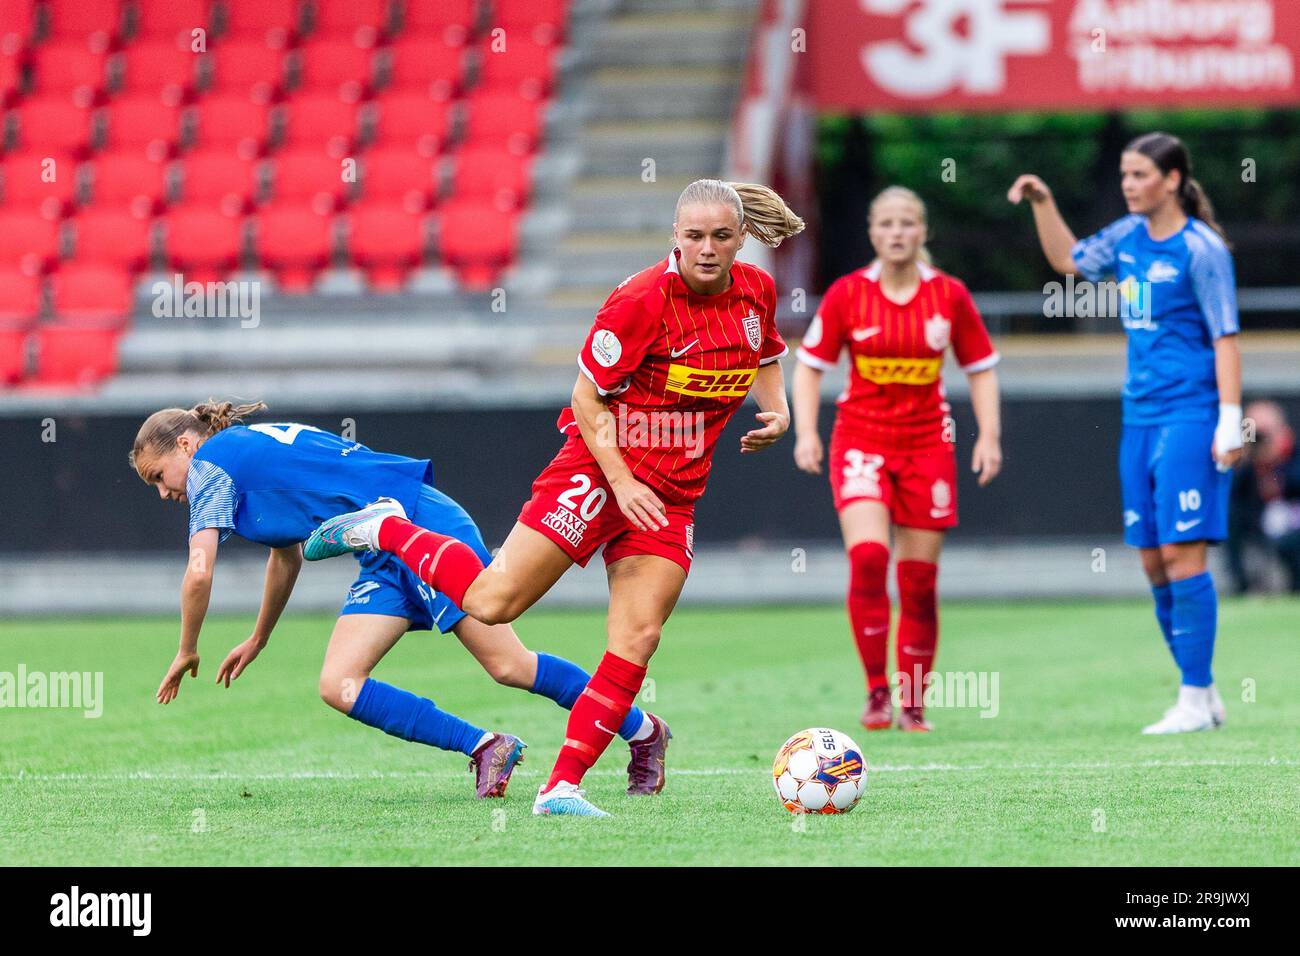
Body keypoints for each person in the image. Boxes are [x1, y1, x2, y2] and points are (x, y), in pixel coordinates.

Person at [305, 179, 805, 816]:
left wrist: (778, 412)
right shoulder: (640, 300)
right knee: (491, 602)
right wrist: (621, 481)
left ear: (740, 239)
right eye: (694, 236)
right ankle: (383, 529)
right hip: (597, 475)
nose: (707, 248)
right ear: (674, 237)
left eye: (721, 236)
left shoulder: (755, 291)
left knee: (638, 636)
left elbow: (764, 353)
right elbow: (584, 397)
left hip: (671, 497)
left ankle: (561, 787)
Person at [132, 400, 669, 798]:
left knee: (509, 665)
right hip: (382, 549)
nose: (163, 493)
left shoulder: (212, 463)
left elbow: (198, 572)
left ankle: (643, 731)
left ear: (185, 444)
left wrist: (186, 647)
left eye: (159, 477)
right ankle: (488, 747)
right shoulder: (242, 462)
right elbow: (286, 556)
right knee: (339, 684)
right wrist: (260, 636)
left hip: (419, 524)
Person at [1009, 131, 1243, 734]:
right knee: (1151, 562)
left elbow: (1226, 338)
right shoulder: (1128, 237)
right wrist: (1042, 201)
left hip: (1190, 414)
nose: (1129, 185)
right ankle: (1206, 692)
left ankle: (1192, 698)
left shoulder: (1202, 249)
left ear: (1171, 180)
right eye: (1124, 176)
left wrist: (1228, 420)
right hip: (1138, 415)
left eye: (1140, 175)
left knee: (1181, 553)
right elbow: (1069, 261)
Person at [792, 185, 1002, 732]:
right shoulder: (847, 294)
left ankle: (913, 703)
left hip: (928, 444)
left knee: (918, 582)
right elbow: (809, 365)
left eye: (907, 223)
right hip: (861, 439)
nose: (896, 233)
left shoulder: (949, 296)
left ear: (923, 231)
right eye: (886, 223)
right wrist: (807, 433)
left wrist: (989, 436)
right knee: (867, 558)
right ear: (872, 232)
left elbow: (980, 367)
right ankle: (876, 692)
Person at [1227, 400, 1300, 593]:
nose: (1259, 438)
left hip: (1291, 517)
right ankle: (1242, 587)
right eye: (1253, 431)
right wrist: (1244, 457)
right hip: (1256, 519)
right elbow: (1233, 491)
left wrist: (1277, 458)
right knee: (1229, 519)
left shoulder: (1292, 452)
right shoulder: (1248, 459)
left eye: (1263, 432)